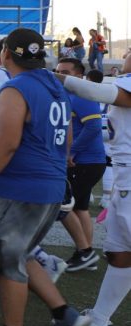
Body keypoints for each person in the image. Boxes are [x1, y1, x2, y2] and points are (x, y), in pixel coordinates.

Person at [0, 29, 90, 326]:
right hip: (48, 185)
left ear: (6, 54)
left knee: (8, 262)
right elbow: (66, 137)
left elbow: (7, 144)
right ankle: (64, 314)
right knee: (20, 253)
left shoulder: (16, 88)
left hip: (19, 187)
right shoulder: (54, 86)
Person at [55, 47, 131, 326]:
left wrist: (56, 77)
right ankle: (99, 320)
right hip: (124, 178)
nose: (127, 54)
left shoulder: (122, 87)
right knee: (120, 254)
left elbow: (99, 92)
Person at [53, 57, 105, 272]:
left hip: (85, 161)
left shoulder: (82, 96)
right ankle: (86, 254)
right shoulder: (70, 95)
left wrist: (71, 151)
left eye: (65, 72)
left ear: (79, 76)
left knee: (62, 206)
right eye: (57, 70)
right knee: (80, 208)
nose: (59, 75)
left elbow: (93, 127)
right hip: (86, 161)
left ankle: (85, 253)